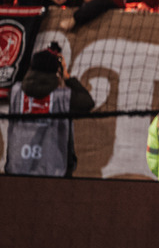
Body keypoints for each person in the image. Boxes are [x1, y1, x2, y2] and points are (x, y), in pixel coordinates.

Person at [5, 44, 95, 176]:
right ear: (57, 71)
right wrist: (66, 76)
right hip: (54, 172)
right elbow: (88, 103)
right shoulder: (63, 97)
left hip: (17, 169)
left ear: (31, 68)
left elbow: (30, 84)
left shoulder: (15, 92)